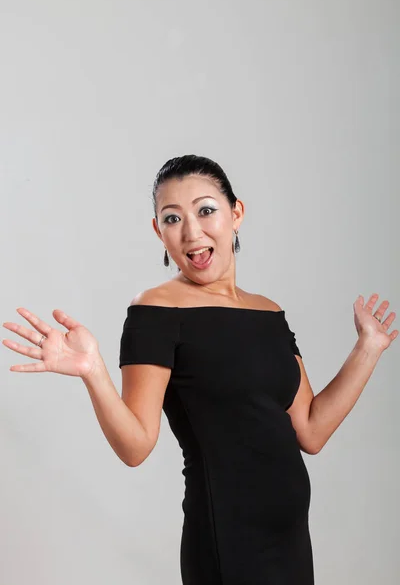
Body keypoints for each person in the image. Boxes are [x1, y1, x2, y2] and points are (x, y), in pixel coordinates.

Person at [2, 155, 397, 585]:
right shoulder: (156, 311)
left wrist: (369, 348)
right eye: (172, 219)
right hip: (227, 540)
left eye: (206, 210)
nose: (192, 232)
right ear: (158, 232)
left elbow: (311, 430)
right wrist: (93, 370)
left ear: (236, 213)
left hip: (290, 539)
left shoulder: (268, 312)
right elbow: (135, 446)